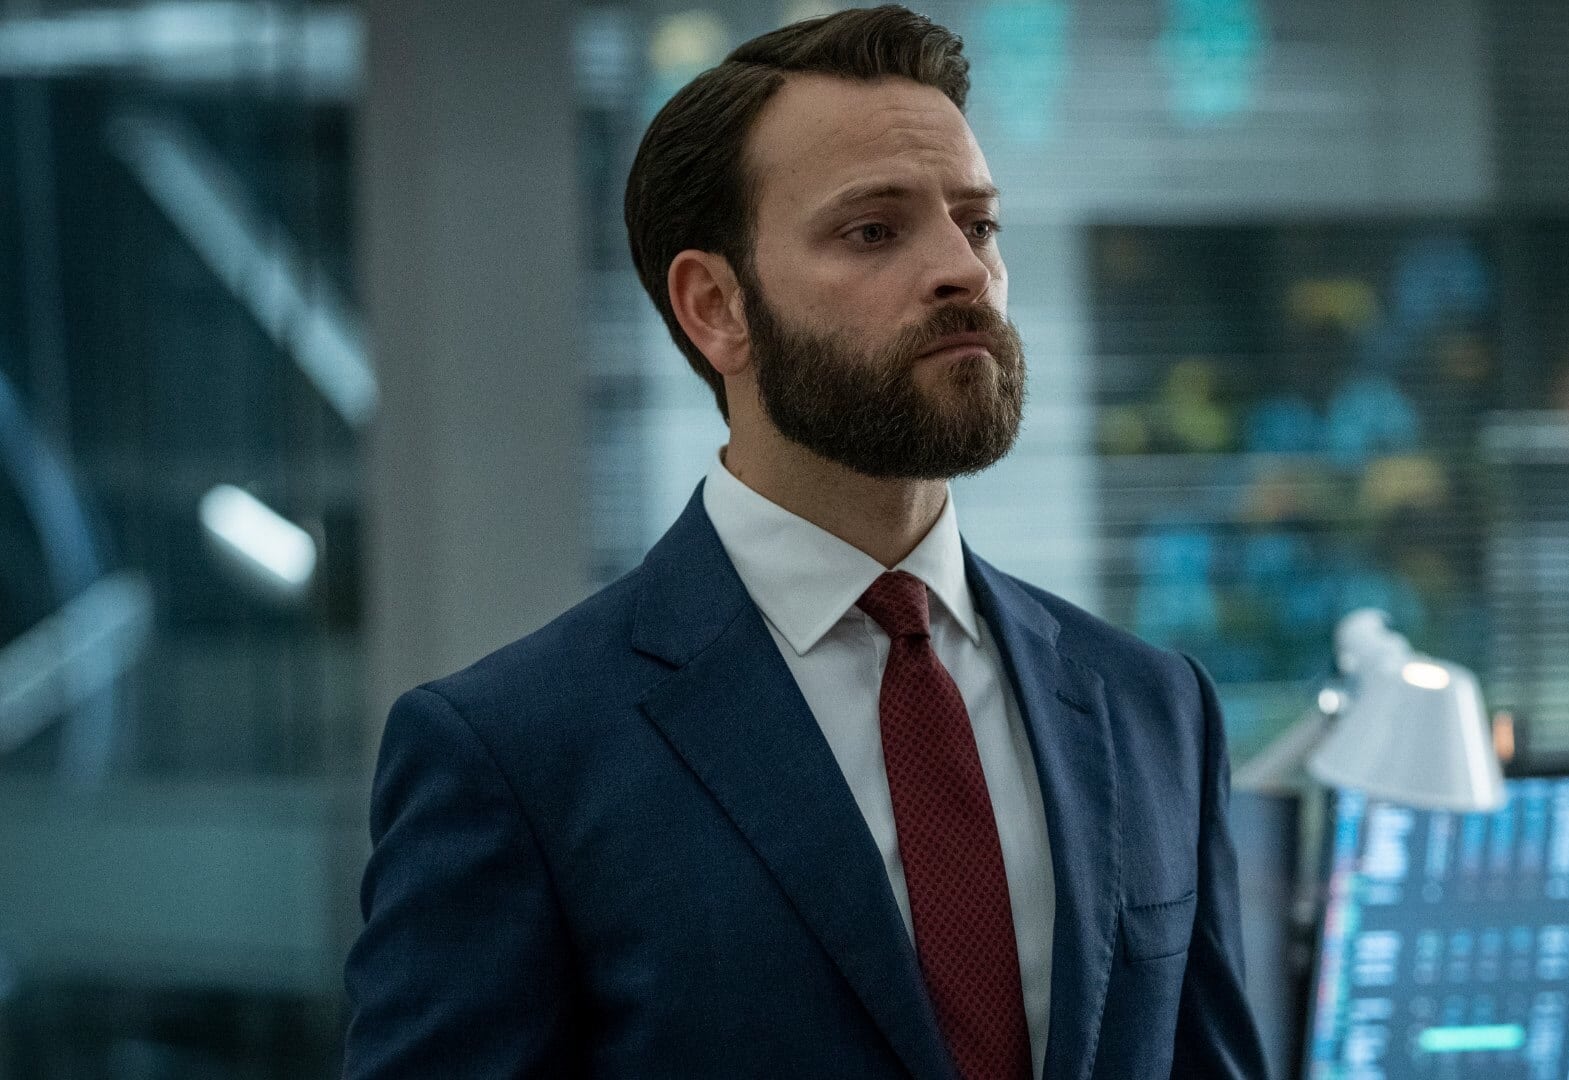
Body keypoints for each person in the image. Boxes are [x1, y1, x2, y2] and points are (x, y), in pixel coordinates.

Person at [342, 7, 1265, 1078]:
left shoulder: (1153, 709)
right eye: (873, 231)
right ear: (716, 307)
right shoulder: (516, 754)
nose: (962, 270)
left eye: (978, 225)